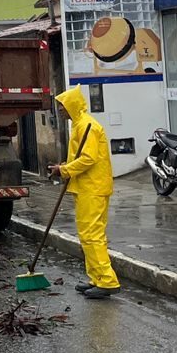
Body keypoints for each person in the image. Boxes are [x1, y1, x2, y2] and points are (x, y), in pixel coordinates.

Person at [49, 87, 120, 299]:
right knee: (87, 235)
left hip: (93, 188)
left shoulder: (88, 126)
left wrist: (64, 171)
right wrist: (65, 166)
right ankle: (96, 278)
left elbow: (88, 158)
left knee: (92, 235)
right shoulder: (80, 125)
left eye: (62, 106)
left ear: (72, 105)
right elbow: (81, 157)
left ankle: (107, 281)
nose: (60, 110)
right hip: (86, 187)